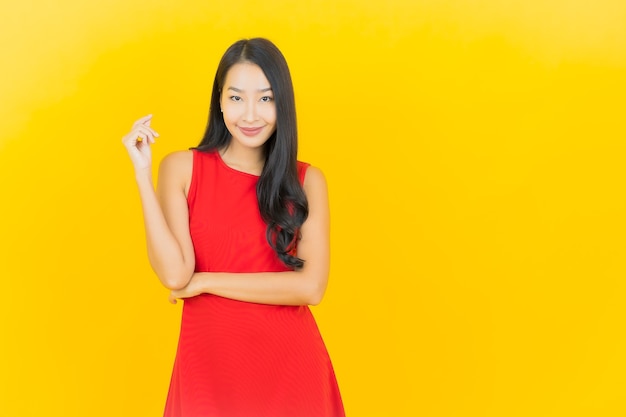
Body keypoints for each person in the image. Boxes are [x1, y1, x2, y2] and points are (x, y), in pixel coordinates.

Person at [122, 38, 345, 417]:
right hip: (207, 374)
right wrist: (142, 175)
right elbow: (176, 274)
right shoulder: (181, 168)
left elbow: (311, 287)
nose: (250, 115)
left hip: (291, 376)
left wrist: (207, 282)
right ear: (219, 101)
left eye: (266, 98)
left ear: (282, 104)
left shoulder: (306, 181)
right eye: (237, 98)